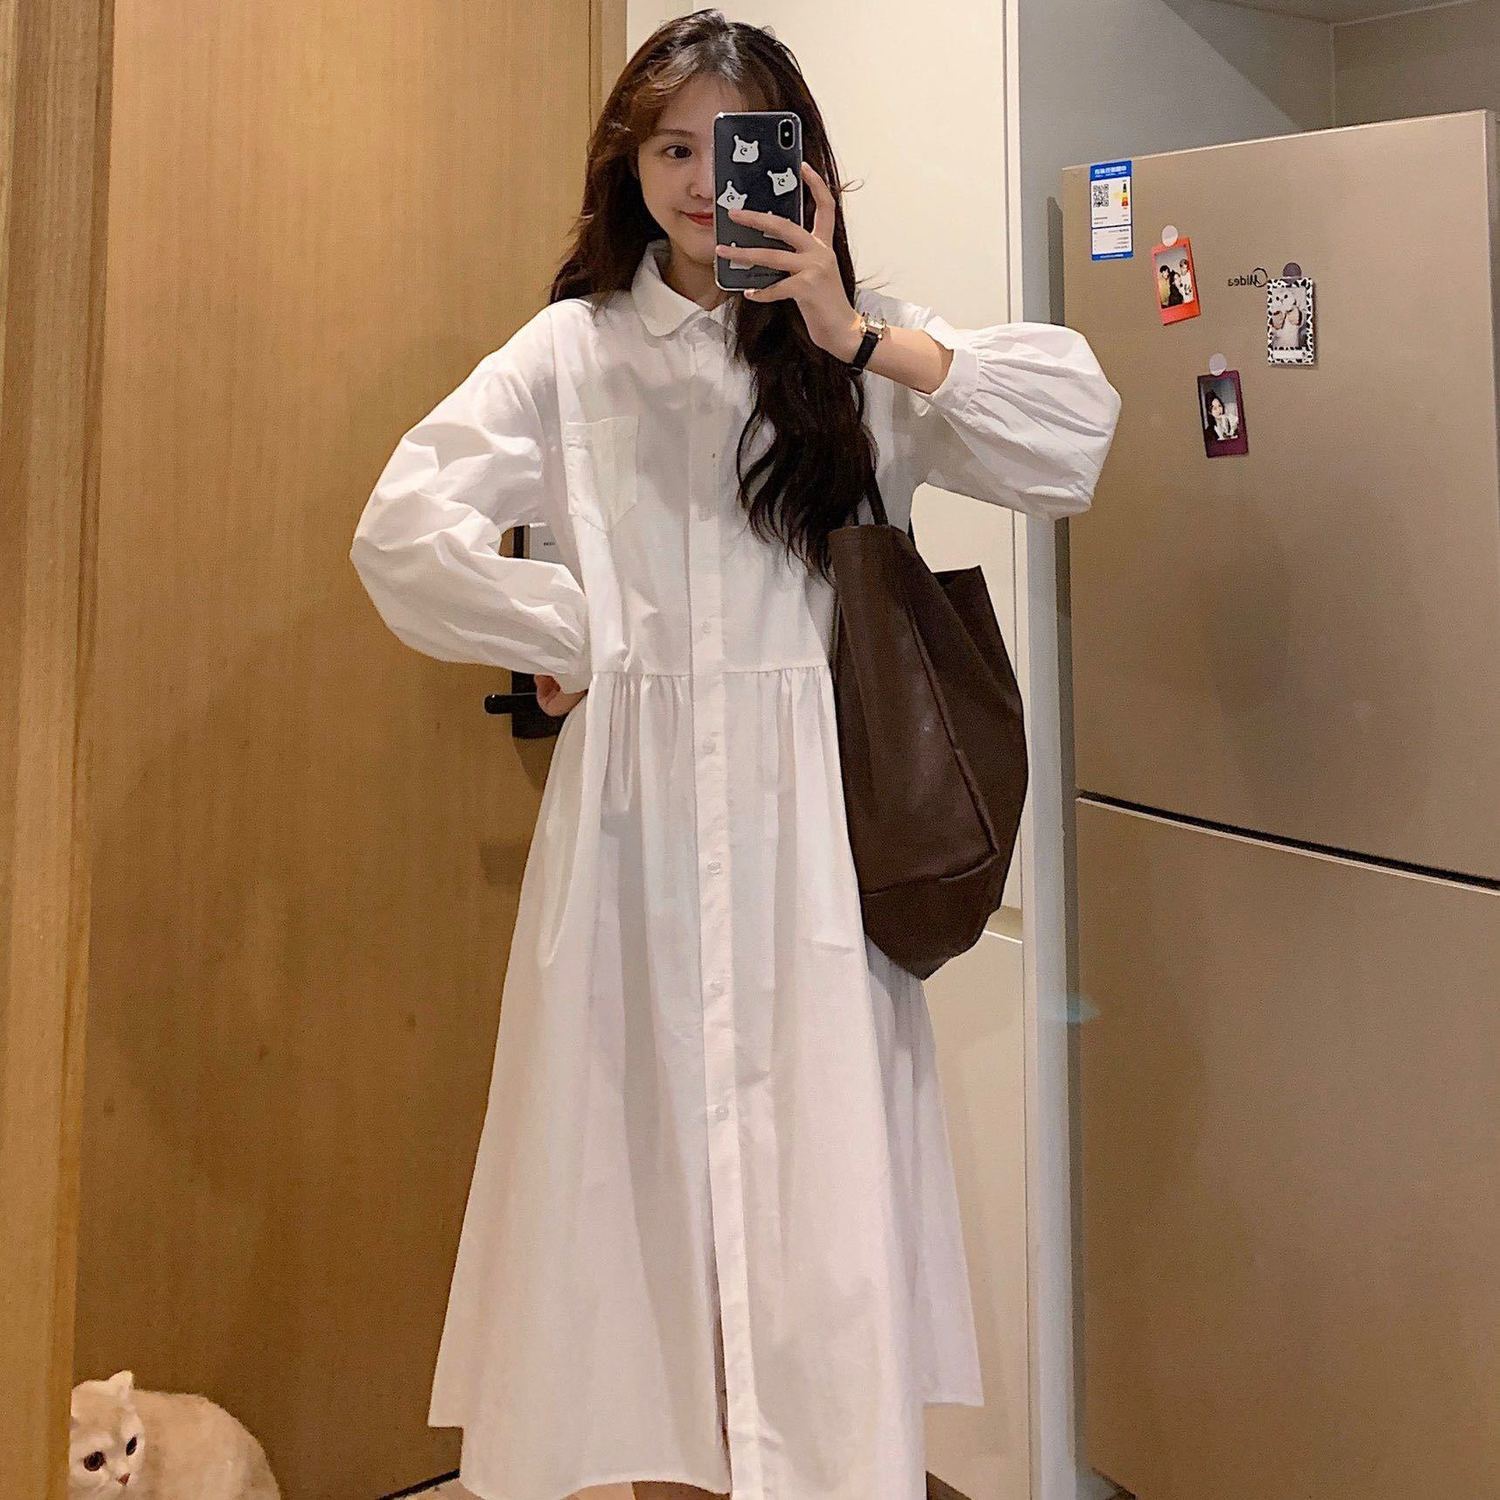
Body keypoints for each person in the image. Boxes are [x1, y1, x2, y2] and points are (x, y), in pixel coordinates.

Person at [348, 12, 1121, 1500]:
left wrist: (852, 331)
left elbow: (1071, 438)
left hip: (817, 849)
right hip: (632, 850)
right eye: (671, 149)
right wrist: (579, 627)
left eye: (737, 146)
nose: (707, 183)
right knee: (636, 1193)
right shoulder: (573, 352)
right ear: (627, 168)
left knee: (819, 1198)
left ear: (802, 163)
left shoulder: (856, 348)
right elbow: (401, 532)